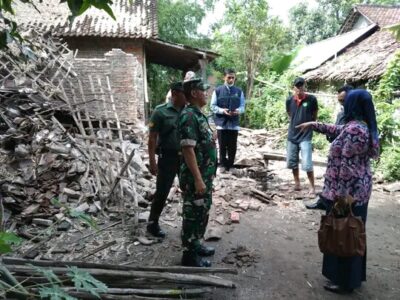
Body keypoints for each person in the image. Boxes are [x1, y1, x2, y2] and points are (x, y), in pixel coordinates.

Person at [296, 89, 380, 294]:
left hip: (347, 194)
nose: (343, 104)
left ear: (353, 105)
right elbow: (336, 129)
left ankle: (344, 282)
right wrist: (313, 125)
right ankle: (352, 277)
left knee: (345, 233)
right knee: (354, 231)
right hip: (358, 191)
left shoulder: (354, 131)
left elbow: (347, 170)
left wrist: (335, 199)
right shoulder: (360, 126)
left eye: (346, 101)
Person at [179, 78, 217, 267]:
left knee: (202, 210)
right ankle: (189, 255)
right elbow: (188, 149)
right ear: (194, 93)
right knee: (193, 213)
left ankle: (196, 243)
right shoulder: (189, 116)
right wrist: (198, 179)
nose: (206, 93)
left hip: (205, 175)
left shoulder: (199, 115)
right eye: (203, 90)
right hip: (197, 177)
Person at [147, 82, 187, 238]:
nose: (188, 97)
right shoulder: (160, 112)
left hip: (185, 158)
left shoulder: (188, 111)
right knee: (162, 192)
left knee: (188, 191)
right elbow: (152, 138)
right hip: (167, 158)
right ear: (175, 94)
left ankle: (187, 227)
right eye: (185, 93)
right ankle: (152, 223)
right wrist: (152, 161)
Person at [306, 84, 353, 210]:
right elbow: (336, 128)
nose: (341, 103)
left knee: (340, 183)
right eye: (339, 101)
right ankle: (325, 201)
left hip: (346, 158)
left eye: (343, 100)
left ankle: (338, 206)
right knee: (330, 178)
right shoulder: (342, 113)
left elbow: (344, 131)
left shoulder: (355, 117)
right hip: (336, 153)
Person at [286, 77, 318, 195]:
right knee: (292, 161)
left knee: (307, 163)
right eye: (297, 86)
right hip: (292, 135)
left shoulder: (312, 99)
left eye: (301, 86)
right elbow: (290, 114)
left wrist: (309, 125)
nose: (299, 88)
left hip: (306, 135)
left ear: (305, 86)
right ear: (293, 87)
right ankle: (297, 184)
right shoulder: (289, 100)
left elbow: (314, 116)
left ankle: (312, 187)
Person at [210, 68, 245, 172]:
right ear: (224, 77)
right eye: (229, 77)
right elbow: (212, 106)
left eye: (233, 78)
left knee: (232, 146)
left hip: (234, 124)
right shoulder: (217, 90)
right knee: (222, 145)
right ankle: (222, 165)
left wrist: (238, 111)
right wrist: (222, 111)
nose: (231, 80)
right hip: (221, 123)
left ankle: (231, 165)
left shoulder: (239, 91)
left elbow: (243, 106)